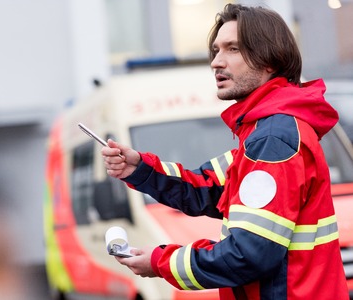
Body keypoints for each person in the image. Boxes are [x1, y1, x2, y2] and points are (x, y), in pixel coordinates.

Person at [101, 3, 349, 300]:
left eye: (232, 49)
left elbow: (248, 255)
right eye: (216, 50)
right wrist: (139, 169)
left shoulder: (273, 139)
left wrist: (160, 261)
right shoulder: (265, 134)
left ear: (269, 60)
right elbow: (206, 187)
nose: (217, 62)